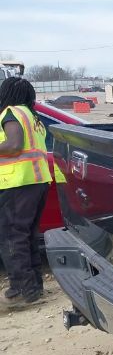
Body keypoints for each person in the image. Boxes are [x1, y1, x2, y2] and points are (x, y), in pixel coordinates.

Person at [0, 77, 51, 307]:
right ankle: (34, 287)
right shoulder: (32, 116)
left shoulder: (11, 113)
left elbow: (13, 145)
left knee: (12, 236)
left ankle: (21, 290)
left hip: (17, 182)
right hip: (37, 181)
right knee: (27, 234)